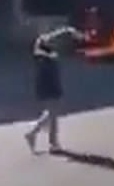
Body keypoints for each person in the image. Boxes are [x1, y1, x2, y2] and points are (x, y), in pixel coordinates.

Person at [25, 26, 83, 155]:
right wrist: (70, 31)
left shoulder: (43, 47)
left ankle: (38, 136)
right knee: (53, 112)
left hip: (51, 81)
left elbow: (55, 38)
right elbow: (54, 37)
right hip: (48, 82)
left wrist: (70, 32)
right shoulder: (41, 46)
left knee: (52, 112)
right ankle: (50, 141)